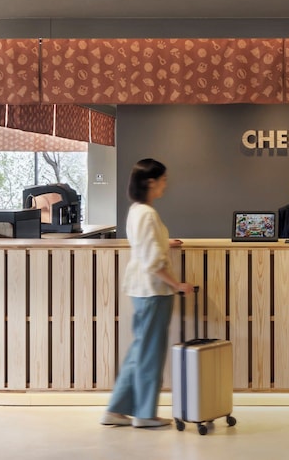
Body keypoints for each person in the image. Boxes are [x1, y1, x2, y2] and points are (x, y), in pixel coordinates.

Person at [101, 158, 194, 430]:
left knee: (139, 350)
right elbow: (153, 262)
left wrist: (164, 242)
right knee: (150, 354)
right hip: (154, 292)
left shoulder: (137, 211)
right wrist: (177, 285)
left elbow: (144, 246)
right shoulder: (148, 214)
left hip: (141, 290)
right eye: (163, 180)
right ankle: (144, 414)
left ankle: (116, 409)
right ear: (151, 182)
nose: (166, 184)